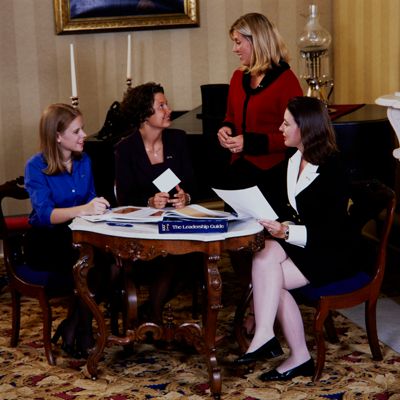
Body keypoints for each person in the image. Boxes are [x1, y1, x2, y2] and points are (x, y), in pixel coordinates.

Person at [235, 96, 362, 381]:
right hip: (305, 247)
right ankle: (278, 342)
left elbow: (332, 229)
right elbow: (281, 204)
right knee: (267, 255)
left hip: (333, 251)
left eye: (286, 123)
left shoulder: (333, 168)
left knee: (269, 277)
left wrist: (287, 231)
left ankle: (288, 349)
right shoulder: (292, 161)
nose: (280, 128)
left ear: (305, 128)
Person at [24, 103, 110, 358]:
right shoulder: (35, 166)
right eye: (77, 131)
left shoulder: (85, 161)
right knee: (89, 268)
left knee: (111, 266)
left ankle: (71, 326)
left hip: (79, 235)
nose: (84, 135)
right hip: (46, 241)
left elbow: (92, 198)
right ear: (57, 136)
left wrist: (98, 208)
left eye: (82, 129)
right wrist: (84, 209)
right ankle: (83, 332)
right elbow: (45, 215)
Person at [114, 82, 200, 324]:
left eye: (166, 104)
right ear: (144, 114)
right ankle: (152, 313)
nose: (168, 109)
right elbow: (122, 199)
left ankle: (150, 310)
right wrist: (149, 201)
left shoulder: (178, 140)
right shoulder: (125, 149)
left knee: (191, 258)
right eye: (161, 106)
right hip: (144, 234)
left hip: (177, 227)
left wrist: (187, 197)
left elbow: (193, 185)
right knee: (169, 257)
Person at [217, 12, 303, 188]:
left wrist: (249, 143)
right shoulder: (237, 76)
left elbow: (298, 134)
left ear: (257, 41)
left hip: (272, 174)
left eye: (238, 42)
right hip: (237, 170)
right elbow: (230, 117)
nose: (234, 49)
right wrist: (226, 129)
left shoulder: (286, 80)